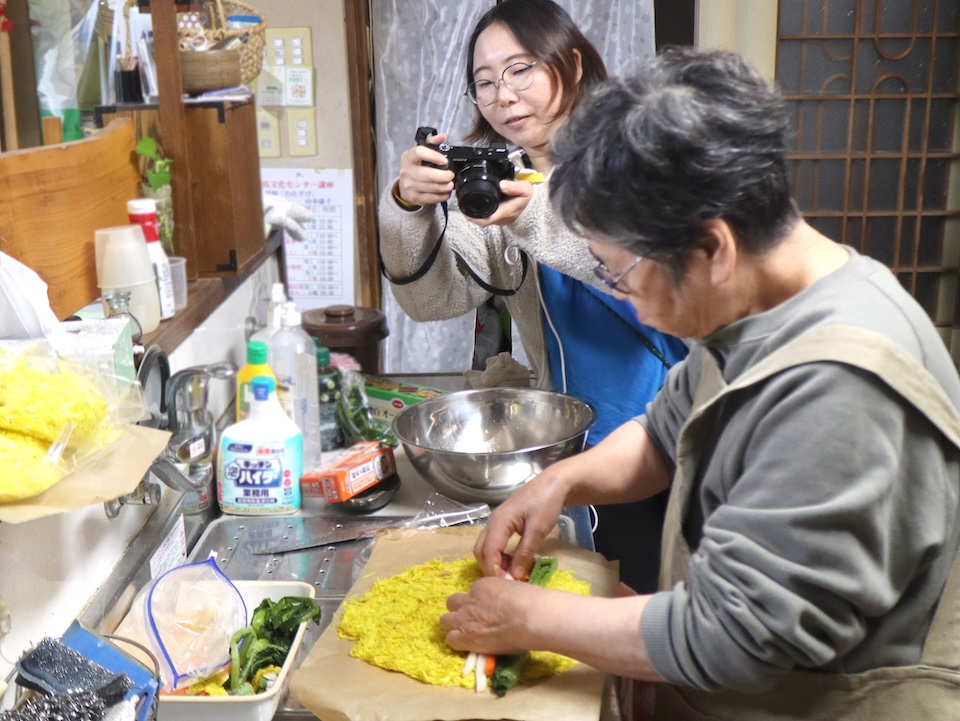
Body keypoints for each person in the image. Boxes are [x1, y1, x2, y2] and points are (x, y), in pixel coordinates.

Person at [439, 47, 960, 721]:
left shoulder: (841, 384)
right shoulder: (759, 306)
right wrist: (562, 481)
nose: (634, 304)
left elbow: (740, 634)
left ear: (713, 248)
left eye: (622, 276)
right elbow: (665, 430)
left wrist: (533, 616)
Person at [378, 0, 687, 592]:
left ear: (569, 65)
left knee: (666, 600)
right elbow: (431, 302)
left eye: (520, 70)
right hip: (577, 441)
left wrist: (535, 214)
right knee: (601, 596)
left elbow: (649, 271)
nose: (503, 95)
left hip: (668, 429)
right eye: (484, 82)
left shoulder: (640, 152)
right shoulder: (499, 181)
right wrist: (407, 208)